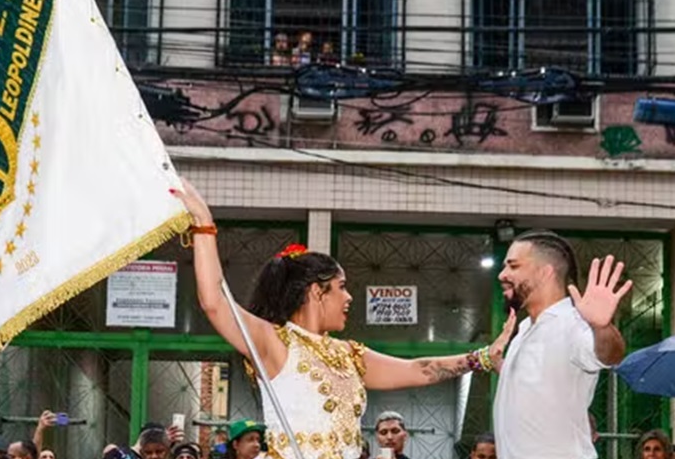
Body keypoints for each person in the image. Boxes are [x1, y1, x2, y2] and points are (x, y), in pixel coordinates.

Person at [171, 181, 516, 459]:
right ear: (315, 292)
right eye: (341, 287)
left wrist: (483, 358)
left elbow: (418, 369)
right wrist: (204, 226)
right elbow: (214, 302)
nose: (349, 298)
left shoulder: (349, 354)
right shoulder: (275, 342)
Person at [492, 230, 632, 459]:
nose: (502, 274)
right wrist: (499, 365)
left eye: (513, 266)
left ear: (546, 273)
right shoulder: (525, 329)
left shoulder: (573, 323)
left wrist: (601, 327)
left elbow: (610, 355)